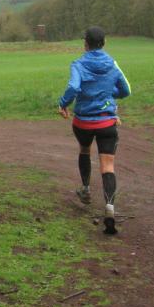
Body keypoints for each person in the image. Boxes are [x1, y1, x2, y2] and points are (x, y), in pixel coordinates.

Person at [57, 26, 131, 235]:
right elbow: (126, 90)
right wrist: (107, 93)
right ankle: (109, 207)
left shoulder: (78, 64)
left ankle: (86, 189)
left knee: (84, 149)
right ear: (104, 43)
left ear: (85, 44)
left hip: (83, 123)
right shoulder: (112, 64)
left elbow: (73, 87)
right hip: (107, 123)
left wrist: (63, 104)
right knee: (108, 165)